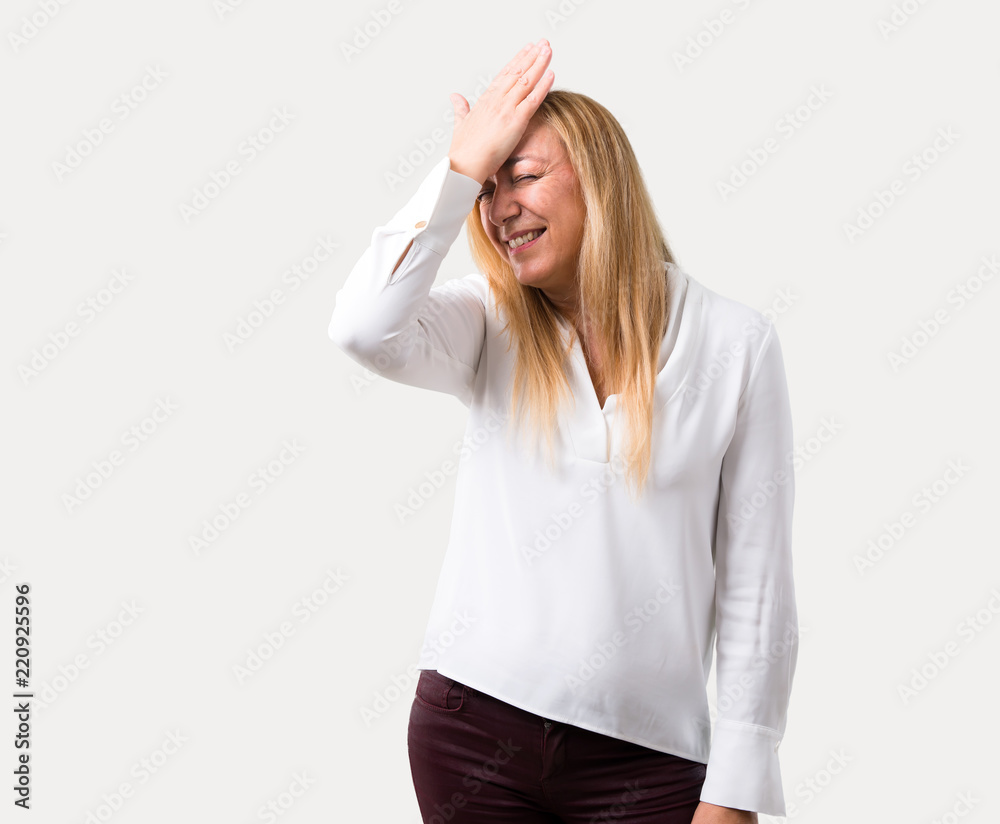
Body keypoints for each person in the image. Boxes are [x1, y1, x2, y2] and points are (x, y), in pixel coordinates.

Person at [328, 38, 798, 824]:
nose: (501, 205)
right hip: (472, 733)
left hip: (650, 762)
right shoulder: (488, 322)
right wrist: (456, 176)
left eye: (526, 176)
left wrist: (737, 789)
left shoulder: (736, 345)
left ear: (601, 179)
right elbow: (362, 327)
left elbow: (759, 583)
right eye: (490, 188)